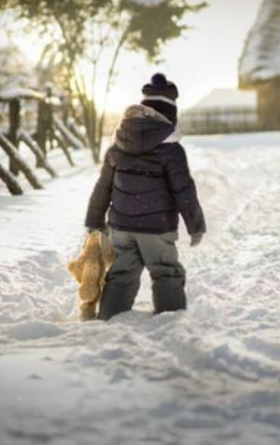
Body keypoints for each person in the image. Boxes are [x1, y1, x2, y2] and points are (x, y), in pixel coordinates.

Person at [84, 73, 206, 319]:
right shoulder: (171, 150)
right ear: (170, 114)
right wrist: (196, 225)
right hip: (157, 229)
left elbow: (103, 186)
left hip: (121, 227)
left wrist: (94, 220)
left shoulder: (118, 144)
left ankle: (109, 320)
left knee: (121, 275)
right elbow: (184, 190)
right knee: (165, 272)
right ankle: (169, 321)